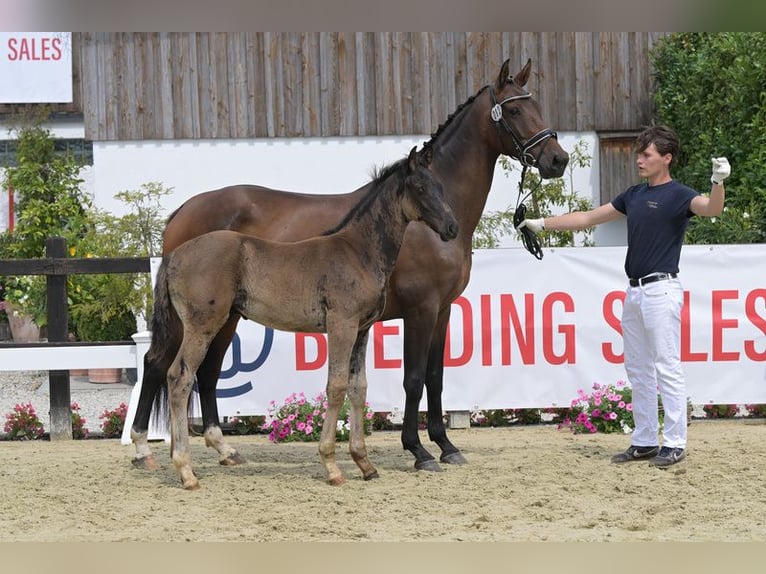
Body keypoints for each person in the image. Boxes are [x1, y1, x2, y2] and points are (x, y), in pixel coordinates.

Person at [517, 125, 730, 467]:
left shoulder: (679, 195)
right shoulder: (633, 195)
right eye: (639, 154)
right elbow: (588, 218)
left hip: (662, 289)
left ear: (667, 158)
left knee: (667, 366)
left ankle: (674, 442)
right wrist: (542, 223)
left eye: (647, 154)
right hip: (634, 291)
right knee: (638, 369)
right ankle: (645, 440)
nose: (639, 160)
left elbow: (712, 209)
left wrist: (718, 182)